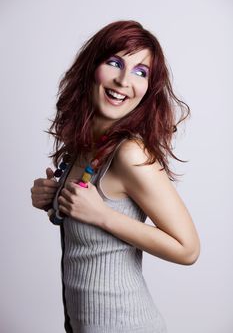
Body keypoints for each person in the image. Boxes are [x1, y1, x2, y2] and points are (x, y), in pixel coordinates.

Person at [31, 20, 200, 333]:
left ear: (149, 88)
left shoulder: (129, 153)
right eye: (115, 63)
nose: (124, 80)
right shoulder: (83, 146)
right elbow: (87, 224)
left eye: (140, 71)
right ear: (92, 67)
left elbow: (188, 249)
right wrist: (52, 198)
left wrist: (102, 216)